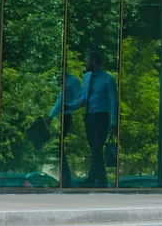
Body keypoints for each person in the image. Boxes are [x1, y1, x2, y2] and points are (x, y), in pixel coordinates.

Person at [69, 52, 117, 188]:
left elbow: (114, 101)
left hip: (102, 117)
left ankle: (91, 179)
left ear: (94, 63)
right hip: (89, 117)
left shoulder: (108, 79)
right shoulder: (87, 77)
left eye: (87, 61)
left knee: (96, 149)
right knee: (95, 150)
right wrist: (70, 107)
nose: (85, 63)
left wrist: (114, 121)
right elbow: (84, 99)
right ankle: (102, 181)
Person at [46, 71, 82, 187]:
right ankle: (65, 179)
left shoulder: (73, 81)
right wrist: (51, 116)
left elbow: (80, 99)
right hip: (62, 116)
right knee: (59, 147)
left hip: (67, 116)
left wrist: (69, 106)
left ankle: (66, 180)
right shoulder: (64, 82)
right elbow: (59, 102)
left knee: (61, 147)